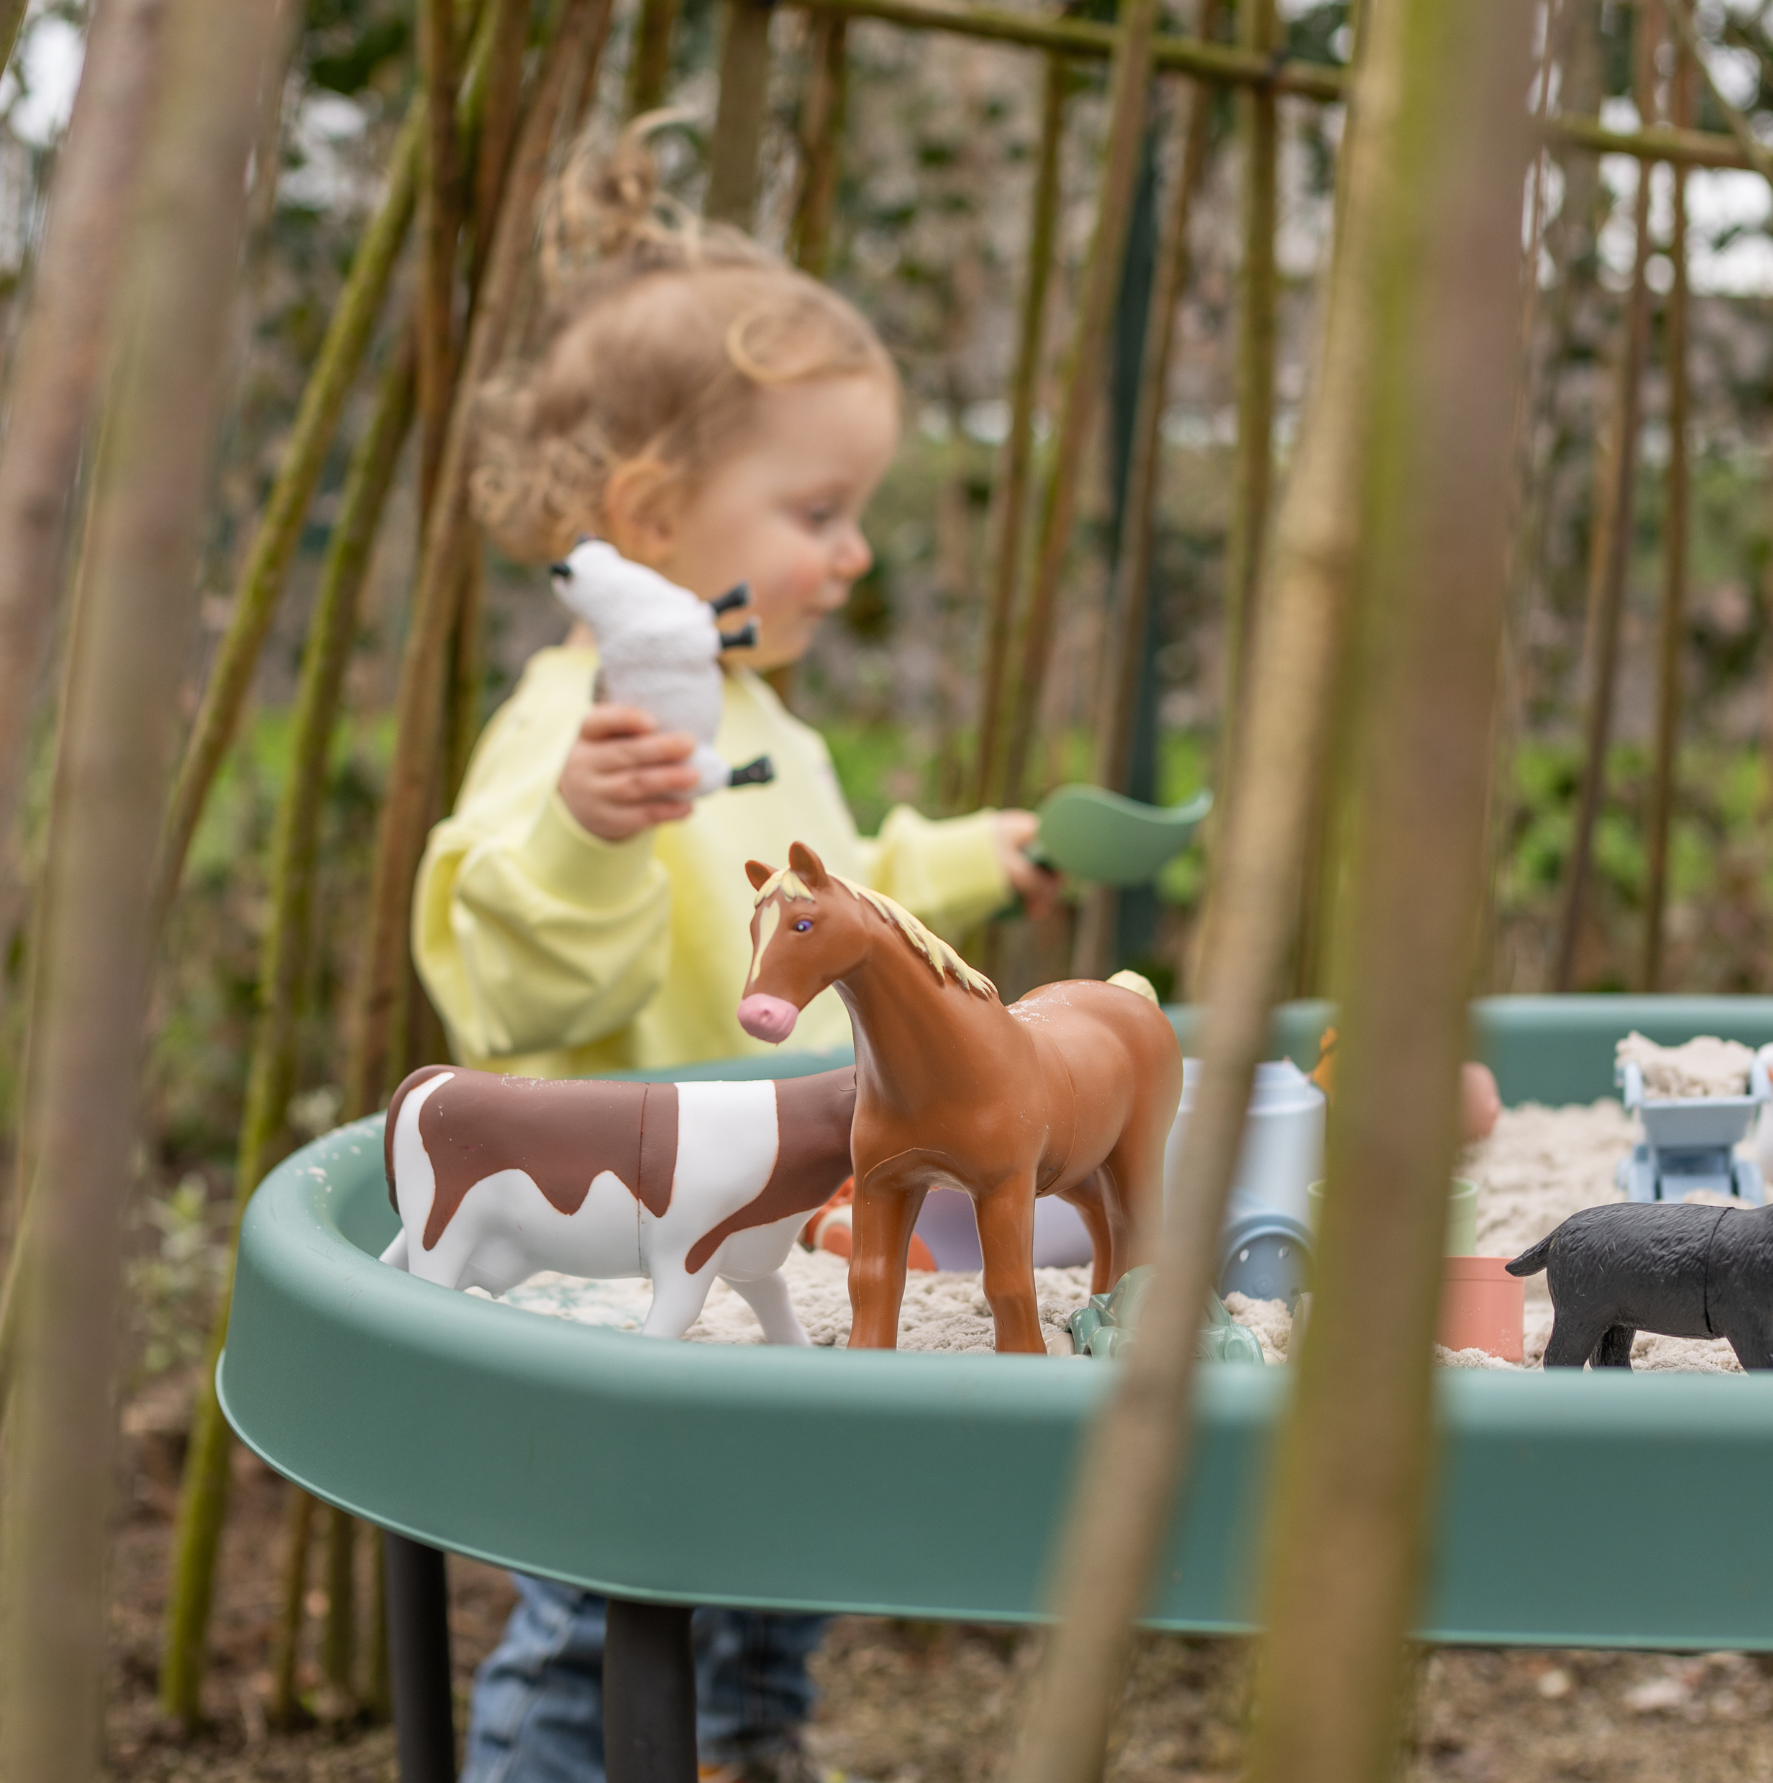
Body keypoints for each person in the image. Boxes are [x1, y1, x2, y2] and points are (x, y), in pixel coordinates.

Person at [415, 117, 1057, 1783]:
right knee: (608, 1600)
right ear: (649, 515)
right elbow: (509, 982)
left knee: (780, 1560)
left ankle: (753, 1746)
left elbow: (826, 900)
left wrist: (962, 864)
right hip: (623, 1253)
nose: (851, 552)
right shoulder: (578, 735)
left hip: (772, 1219)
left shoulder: (757, 713)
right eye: (818, 510)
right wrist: (586, 832)